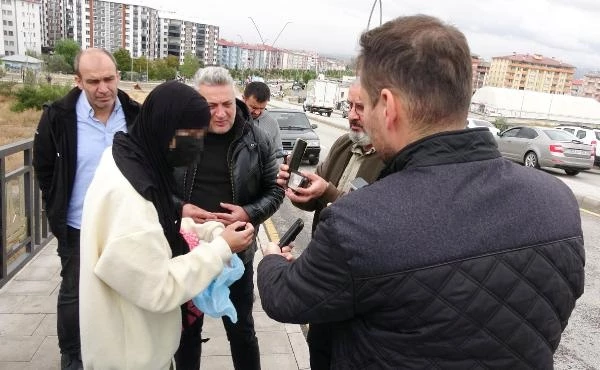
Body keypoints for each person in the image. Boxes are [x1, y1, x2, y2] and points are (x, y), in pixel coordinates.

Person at [257, 15, 585, 369]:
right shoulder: (558, 203)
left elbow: (285, 300)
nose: (361, 119)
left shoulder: (358, 222)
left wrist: (272, 259)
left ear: (388, 106)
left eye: (365, 105)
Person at [78, 81, 255, 369]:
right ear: (167, 128)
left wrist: (203, 231)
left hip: (137, 342)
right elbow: (159, 287)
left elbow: (152, 234)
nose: (196, 148)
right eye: (193, 137)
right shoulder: (128, 198)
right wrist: (221, 248)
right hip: (131, 357)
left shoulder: (127, 157)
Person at [32, 47, 141, 370]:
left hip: (125, 225)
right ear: (78, 81)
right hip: (78, 225)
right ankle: (74, 356)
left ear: (118, 76)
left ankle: (123, 350)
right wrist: (57, 208)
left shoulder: (135, 115)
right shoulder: (58, 117)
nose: (103, 88)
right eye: (93, 81)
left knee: (125, 290)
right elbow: (44, 167)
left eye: (109, 78)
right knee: (75, 294)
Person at [173, 66, 284, 370]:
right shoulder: (181, 136)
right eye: (211, 106)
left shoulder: (255, 140)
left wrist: (248, 212)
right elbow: (155, 188)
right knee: (185, 334)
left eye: (227, 104)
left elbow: (275, 191)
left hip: (236, 254)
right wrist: (179, 208)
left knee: (242, 331)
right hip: (187, 253)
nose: (221, 113)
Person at [276, 79, 384, 370]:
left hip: (360, 291)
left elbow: (368, 219)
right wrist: (296, 188)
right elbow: (314, 201)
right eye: (349, 106)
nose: (351, 115)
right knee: (318, 351)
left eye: (360, 107)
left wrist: (327, 192)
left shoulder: (392, 159)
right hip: (326, 280)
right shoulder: (344, 144)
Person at [243, 81, 284, 160]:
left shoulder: (272, 123)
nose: (257, 112)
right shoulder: (232, 119)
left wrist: (276, 169)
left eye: (262, 108)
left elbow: (278, 154)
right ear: (244, 99)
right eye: (253, 107)